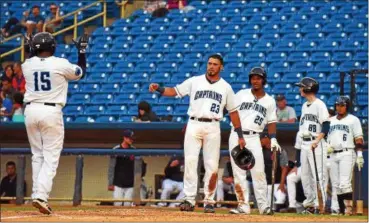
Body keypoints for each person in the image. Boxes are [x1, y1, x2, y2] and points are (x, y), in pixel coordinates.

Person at [149, 54, 245, 213]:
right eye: (209, 63)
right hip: (194, 123)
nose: (211, 66)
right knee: (190, 163)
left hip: (213, 126)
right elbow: (174, 91)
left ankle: (209, 201)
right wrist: (158, 88)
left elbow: (233, 112)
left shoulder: (226, 87)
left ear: (221, 67)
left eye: (215, 64)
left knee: (211, 165)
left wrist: (240, 135)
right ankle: (188, 199)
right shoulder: (195, 81)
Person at [22, 32, 87, 215]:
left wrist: (29, 47)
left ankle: (37, 193)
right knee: (50, 156)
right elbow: (81, 72)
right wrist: (82, 51)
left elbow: (33, 57)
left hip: (31, 110)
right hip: (51, 111)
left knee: (37, 155)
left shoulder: (27, 64)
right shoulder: (60, 63)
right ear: (52, 47)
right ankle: (41, 196)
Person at [228, 67, 281, 215]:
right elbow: (233, 114)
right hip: (237, 135)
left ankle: (263, 206)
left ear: (263, 80)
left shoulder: (269, 100)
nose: (255, 81)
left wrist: (273, 138)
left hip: (254, 137)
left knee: (259, 172)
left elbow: (271, 122)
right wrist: (239, 135)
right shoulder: (241, 94)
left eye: (258, 78)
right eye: (253, 78)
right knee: (239, 173)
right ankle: (243, 206)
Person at [294, 77, 329, 214]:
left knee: (318, 175)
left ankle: (320, 205)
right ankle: (309, 204)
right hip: (304, 143)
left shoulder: (320, 104)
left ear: (307, 88)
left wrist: (317, 140)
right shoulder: (304, 105)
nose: (299, 89)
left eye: (301, 86)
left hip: (316, 143)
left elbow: (326, 125)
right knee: (305, 175)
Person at [326, 96, 364, 215]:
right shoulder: (331, 120)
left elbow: (359, 139)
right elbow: (326, 137)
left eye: (342, 105)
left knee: (344, 183)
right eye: (338, 105)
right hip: (333, 154)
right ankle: (336, 209)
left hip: (347, 152)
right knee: (335, 184)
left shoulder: (353, 120)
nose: (339, 107)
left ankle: (347, 209)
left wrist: (359, 154)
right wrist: (327, 146)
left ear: (347, 106)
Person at [108, 130, 147, 207]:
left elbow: (140, 167)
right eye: (130, 138)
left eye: (132, 139)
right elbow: (111, 168)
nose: (131, 140)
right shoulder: (116, 149)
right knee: (117, 204)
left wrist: (137, 183)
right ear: (125, 138)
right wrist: (110, 183)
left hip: (130, 184)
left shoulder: (134, 150)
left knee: (127, 205)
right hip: (118, 183)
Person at [260, 132, 289, 211]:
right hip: (266, 183)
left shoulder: (280, 151)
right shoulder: (260, 151)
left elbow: (284, 169)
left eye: (262, 139)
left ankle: (281, 211)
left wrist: (282, 184)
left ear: (267, 139)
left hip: (277, 183)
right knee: (268, 205)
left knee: (280, 199)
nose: (260, 140)